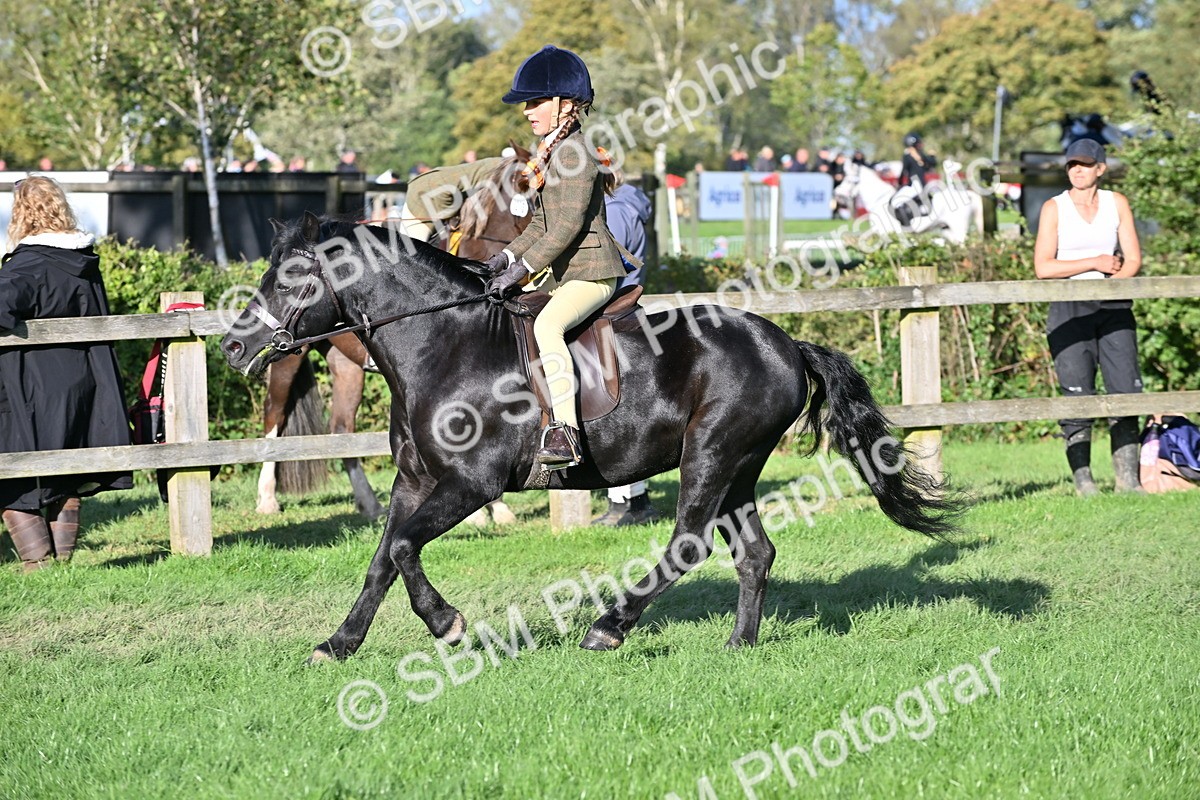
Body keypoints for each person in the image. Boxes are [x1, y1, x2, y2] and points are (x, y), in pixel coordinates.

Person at [485, 45, 635, 469]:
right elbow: (539, 225)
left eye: (536, 102)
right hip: (563, 275)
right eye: (527, 104)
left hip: (591, 272)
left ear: (565, 104)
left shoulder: (574, 153)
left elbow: (566, 228)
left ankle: (565, 432)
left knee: (548, 326)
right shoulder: (552, 151)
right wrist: (504, 258)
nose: (528, 112)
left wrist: (522, 269)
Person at [1, 177, 133, 570]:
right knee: (65, 473)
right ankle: (59, 568)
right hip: (82, 384)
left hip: (32, 386)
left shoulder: (27, 264)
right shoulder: (84, 262)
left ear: (21, 212)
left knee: (14, 472)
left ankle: (39, 565)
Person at [1033, 139, 1143, 495]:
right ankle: (1084, 482)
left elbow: (1134, 259)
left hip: (1113, 306)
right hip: (1069, 306)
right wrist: (1095, 263)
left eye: (1085, 164)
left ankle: (1129, 481)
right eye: (1072, 165)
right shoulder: (1055, 208)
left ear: (1101, 167)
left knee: (1126, 387)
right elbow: (1043, 267)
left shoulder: (1117, 203)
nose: (1077, 170)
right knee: (1077, 391)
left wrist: (1113, 288)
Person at [592, 172, 660, 525]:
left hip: (615, 305)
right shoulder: (622, 205)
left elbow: (608, 266)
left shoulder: (616, 211)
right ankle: (627, 502)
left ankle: (631, 504)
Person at [397, 156, 505, 243]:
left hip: (438, 188)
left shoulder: (502, 166)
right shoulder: (503, 168)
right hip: (422, 194)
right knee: (412, 251)